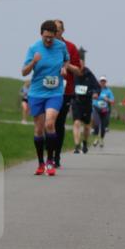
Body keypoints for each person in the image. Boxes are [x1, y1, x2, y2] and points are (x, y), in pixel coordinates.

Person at [23, 21, 79, 176]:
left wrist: (64, 67)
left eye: (51, 37)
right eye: (45, 37)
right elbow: (24, 72)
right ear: (41, 34)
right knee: (39, 129)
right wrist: (34, 62)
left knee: (50, 123)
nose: (48, 40)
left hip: (55, 92)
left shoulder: (61, 47)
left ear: (56, 35)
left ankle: (50, 161)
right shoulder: (33, 48)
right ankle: (40, 163)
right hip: (36, 93)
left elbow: (66, 59)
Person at [51, 20, 82, 167]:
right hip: (47, 90)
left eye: (57, 29)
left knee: (59, 123)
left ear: (63, 31)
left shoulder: (70, 47)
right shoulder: (45, 45)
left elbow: (78, 70)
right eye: (52, 29)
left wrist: (65, 63)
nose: (55, 32)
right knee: (47, 123)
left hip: (65, 90)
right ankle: (48, 154)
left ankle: (56, 156)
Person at [70, 65, 102, 154]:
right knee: (76, 123)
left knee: (87, 126)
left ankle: (84, 142)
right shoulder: (72, 74)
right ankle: (77, 146)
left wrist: (96, 93)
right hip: (76, 102)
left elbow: (97, 87)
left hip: (87, 102)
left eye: (81, 63)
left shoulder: (89, 74)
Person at [91, 75, 115, 148]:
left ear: (106, 82)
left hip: (105, 110)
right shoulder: (95, 89)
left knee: (103, 127)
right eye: (101, 81)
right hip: (96, 108)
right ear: (99, 82)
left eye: (104, 81)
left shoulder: (108, 91)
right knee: (96, 123)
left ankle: (101, 139)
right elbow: (91, 96)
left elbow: (112, 101)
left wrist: (107, 99)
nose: (102, 82)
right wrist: (95, 96)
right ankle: (96, 138)